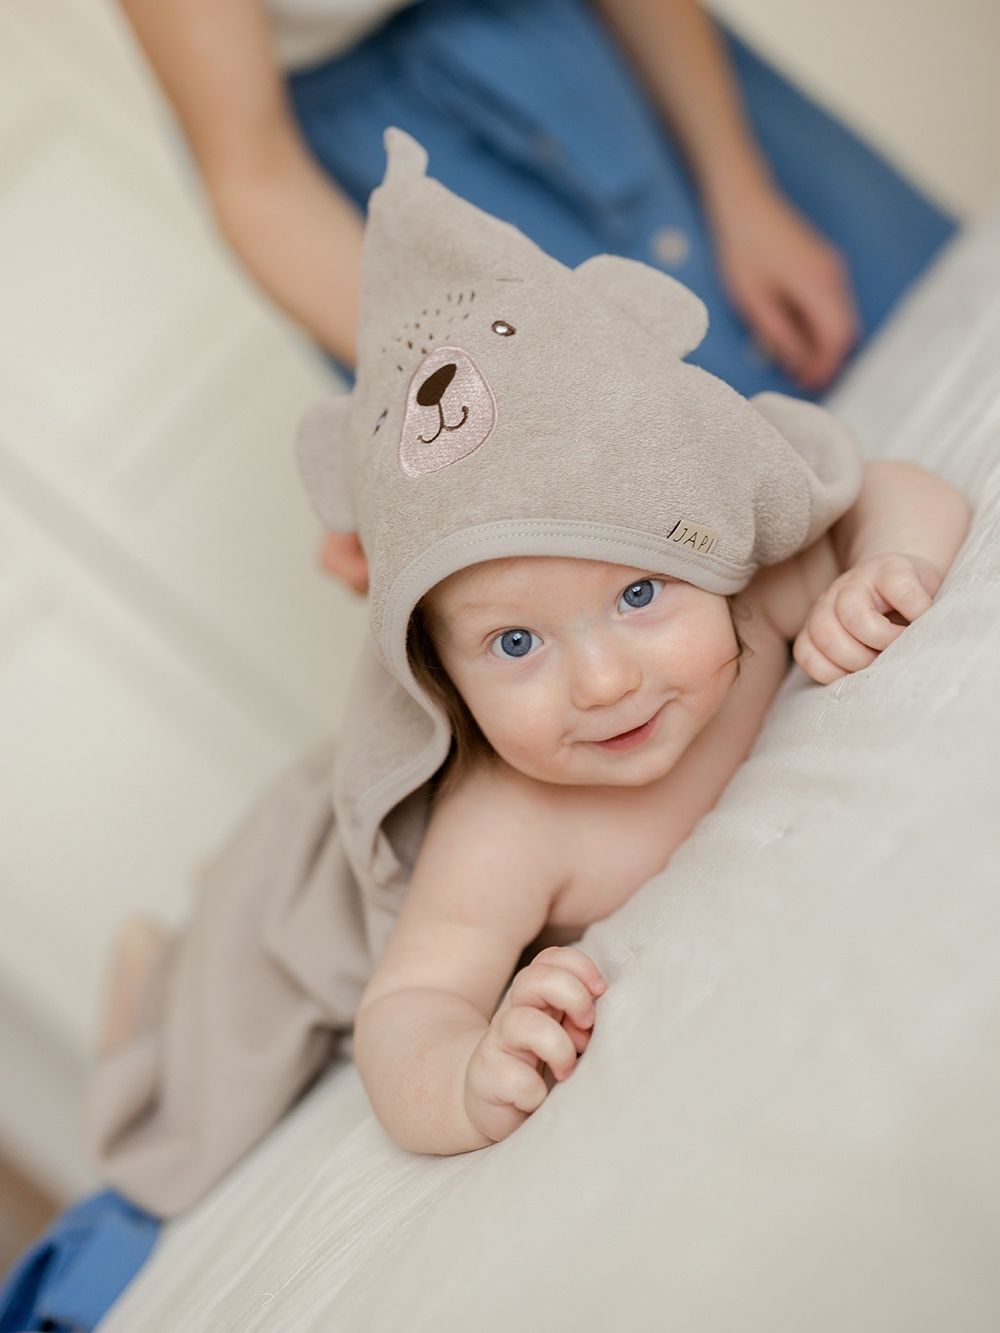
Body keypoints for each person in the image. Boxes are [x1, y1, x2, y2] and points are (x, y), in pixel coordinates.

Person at [91, 130, 970, 1174]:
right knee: (221, 1031)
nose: (604, 682)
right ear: (437, 674)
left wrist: (888, 567)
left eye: (638, 593)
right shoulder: (508, 828)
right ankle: (155, 976)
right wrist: (463, 1073)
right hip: (297, 885)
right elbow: (407, 1005)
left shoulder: (747, 596)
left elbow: (888, 491)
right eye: (514, 641)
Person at [117, 0, 956, 594]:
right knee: (684, 543)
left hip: (602, 48)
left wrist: (739, 183)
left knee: (927, 338)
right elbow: (254, 175)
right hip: (384, 159)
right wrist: (471, 407)